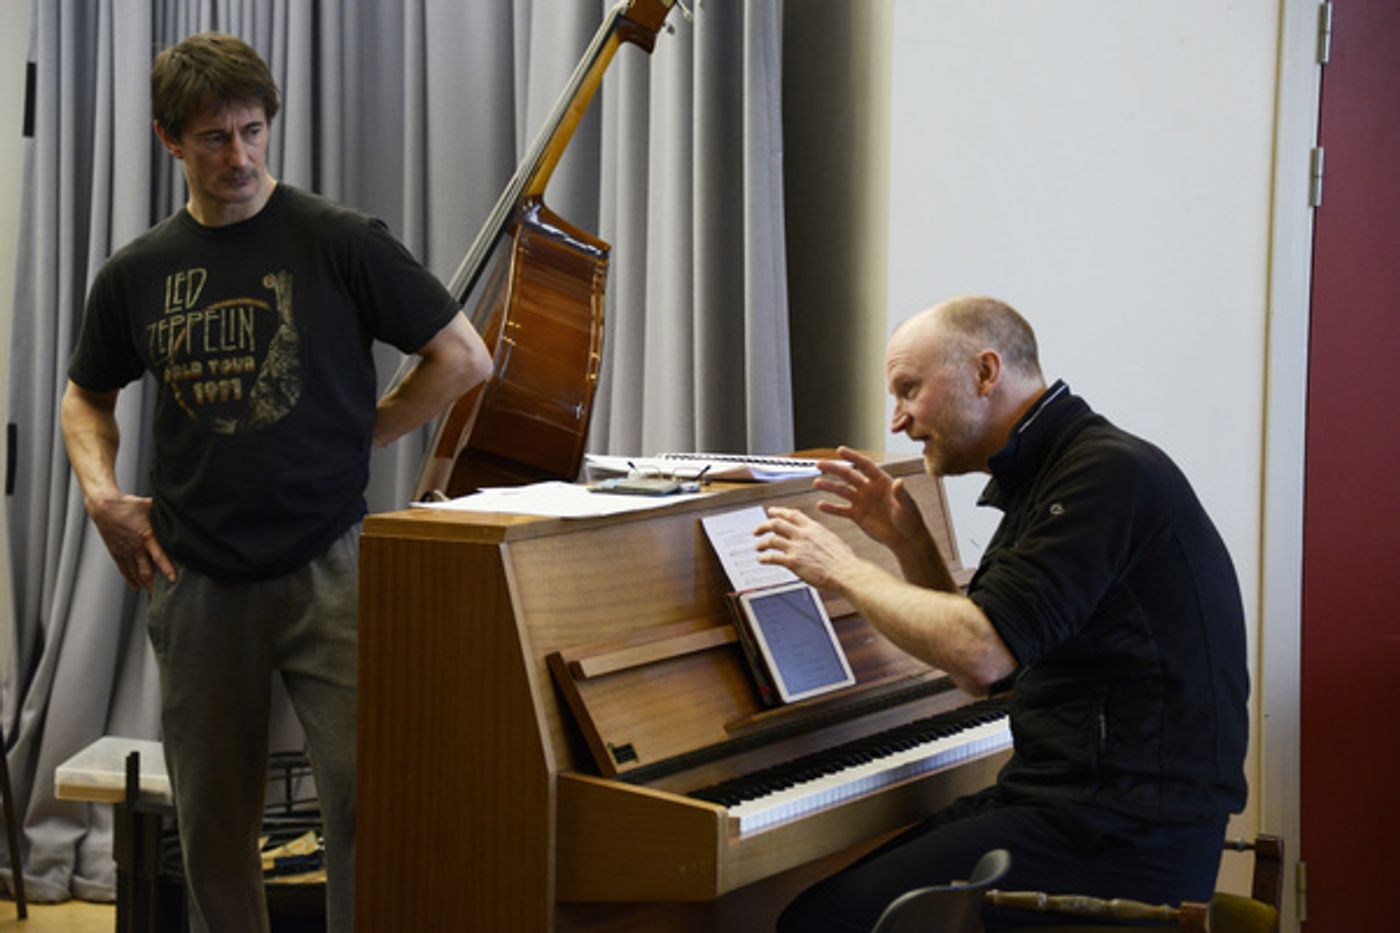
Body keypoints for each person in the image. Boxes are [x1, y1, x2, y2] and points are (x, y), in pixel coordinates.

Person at [59, 32, 493, 933]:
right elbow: (83, 396)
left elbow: (463, 357)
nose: (241, 156)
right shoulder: (137, 272)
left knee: (368, 802)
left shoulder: (339, 240)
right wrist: (101, 494)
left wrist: (364, 434)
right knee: (214, 825)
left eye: (254, 131)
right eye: (215, 138)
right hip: (195, 575)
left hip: (330, 565)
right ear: (168, 139)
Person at [756, 296, 1248, 932]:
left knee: (823, 923)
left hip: (1125, 833)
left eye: (909, 389)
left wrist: (840, 568)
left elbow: (981, 650)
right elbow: (989, 673)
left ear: (986, 373)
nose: (899, 421)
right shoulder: (1053, 470)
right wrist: (910, 543)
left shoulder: (1102, 474)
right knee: (823, 909)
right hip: (1076, 806)